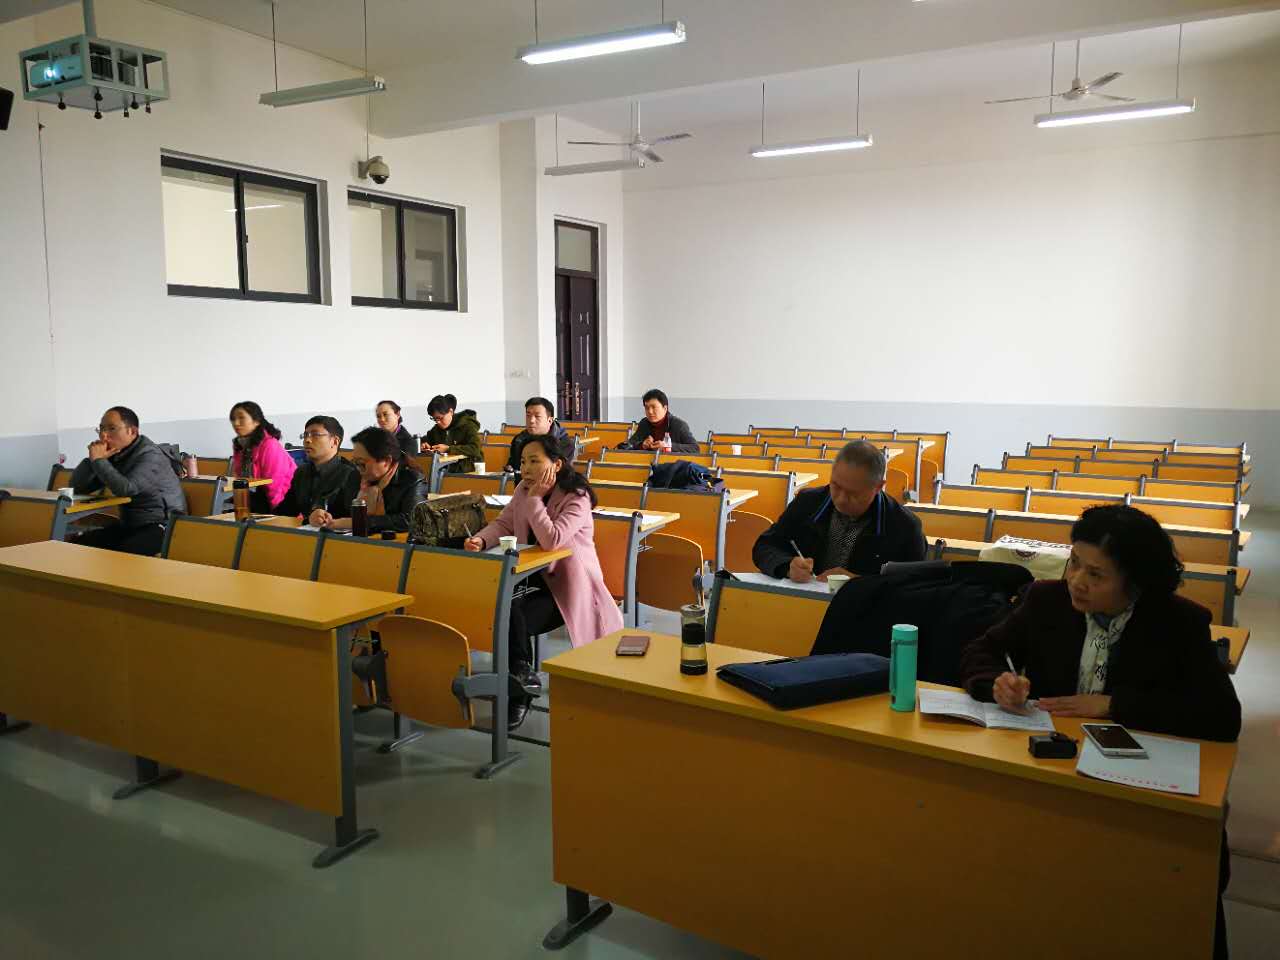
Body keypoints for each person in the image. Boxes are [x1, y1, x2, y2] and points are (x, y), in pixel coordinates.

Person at [960, 504, 1240, 960]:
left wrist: (1114, 704)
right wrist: (996, 682)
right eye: (1074, 563)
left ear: (1135, 581)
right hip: (1052, 775)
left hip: (1141, 789)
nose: (1076, 581)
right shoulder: (1045, 600)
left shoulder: (1178, 623)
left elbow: (1222, 717)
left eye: (1096, 574)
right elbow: (982, 650)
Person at [465, 433, 623, 730]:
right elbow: (504, 523)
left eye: (534, 461)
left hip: (569, 588)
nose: (525, 468)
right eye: (523, 461)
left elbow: (552, 539)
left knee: (512, 614)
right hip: (532, 578)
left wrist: (536, 499)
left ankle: (519, 695)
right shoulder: (523, 490)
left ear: (557, 464)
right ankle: (523, 675)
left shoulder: (577, 497)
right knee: (502, 607)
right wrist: (481, 540)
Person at [753, 439, 926, 581]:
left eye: (853, 493)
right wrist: (787, 566)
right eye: (835, 486)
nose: (841, 499)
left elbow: (914, 587)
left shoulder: (904, 527)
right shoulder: (808, 502)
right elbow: (765, 546)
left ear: (878, 487)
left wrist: (859, 584)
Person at [69, 406, 187, 555]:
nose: (104, 435)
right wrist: (92, 460)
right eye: (101, 429)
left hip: (165, 524)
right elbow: (77, 487)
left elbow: (127, 489)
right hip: (131, 524)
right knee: (81, 544)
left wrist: (99, 460)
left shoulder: (150, 455)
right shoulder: (115, 454)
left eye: (112, 428)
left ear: (132, 431)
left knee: (125, 552)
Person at [317, 426, 428, 535]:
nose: (358, 468)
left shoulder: (413, 480)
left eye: (362, 463)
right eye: (355, 462)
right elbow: (336, 506)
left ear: (386, 461)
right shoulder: (356, 476)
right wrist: (320, 513)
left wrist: (359, 522)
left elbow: (411, 521)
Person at [273, 415, 361, 526]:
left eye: (315, 435)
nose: (307, 440)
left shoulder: (351, 474)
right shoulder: (302, 472)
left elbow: (354, 520)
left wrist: (312, 520)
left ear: (334, 441)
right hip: (307, 533)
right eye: (305, 435)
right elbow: (286, 511)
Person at [229, 401, 296, 512]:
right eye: (233, 419)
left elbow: (274, 485)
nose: (236, 423)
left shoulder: (269, 444)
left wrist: (275, 514)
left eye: (241, 418)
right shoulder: (240, 445)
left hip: (283, 502)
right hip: (257, 496)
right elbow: (239, 478)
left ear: (256, 421)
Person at [506, 396, 570, 478]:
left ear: (549, 420)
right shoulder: (519, 440)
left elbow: (561, 475)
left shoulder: (564, 443)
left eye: (537, 416)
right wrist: (509, 468)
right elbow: (513, 464)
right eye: (528, 415)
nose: (531, 420)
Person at [617, 389, 700, 453]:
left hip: (672, 466)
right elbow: (626, 446)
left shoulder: (678, 425)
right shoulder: (644, 423)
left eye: (654, 407)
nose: (650, 411)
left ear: (665, 408)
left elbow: (695, 448)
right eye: (647, 408)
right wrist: (641, 445)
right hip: (648, 465)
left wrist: (668, 446)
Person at [421, 394, 482, 474]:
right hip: (447, 470)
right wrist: (424, 444)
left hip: (471, 469)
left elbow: (475, 449)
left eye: (440, 418)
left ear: (451, 412)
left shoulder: (468, 425)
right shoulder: (436, 429)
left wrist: (448, 449)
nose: (438, 422)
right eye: (434, 419)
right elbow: (427, 440)